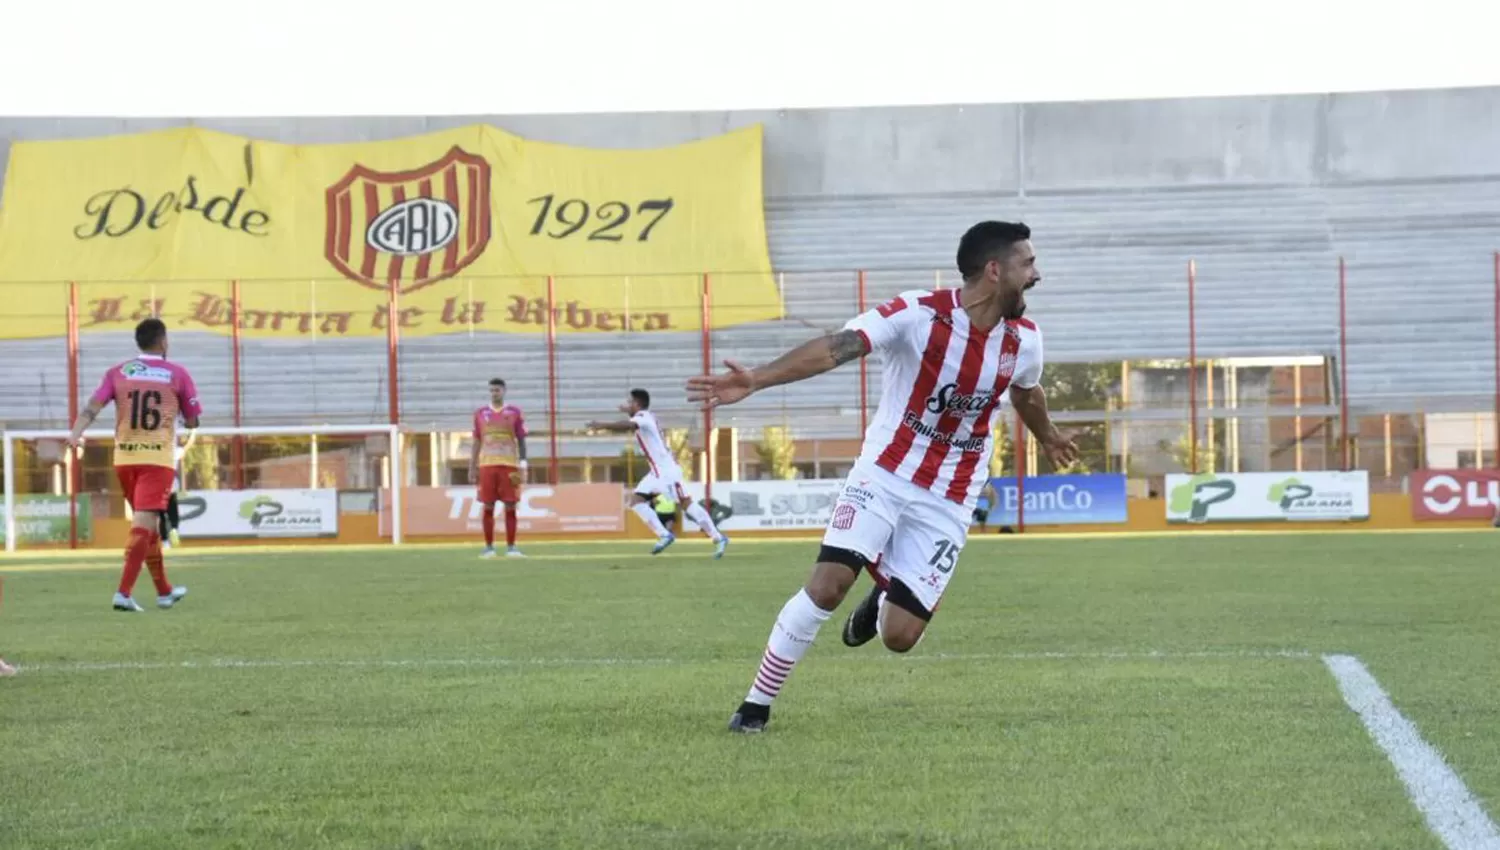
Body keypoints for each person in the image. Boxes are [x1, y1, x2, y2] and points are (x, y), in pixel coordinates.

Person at [687, 221, 1077, 733]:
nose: (1037, 275)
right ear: (993, 270)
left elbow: (1026, 392)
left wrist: (1046, 435)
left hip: (951, 495)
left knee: (900, 636)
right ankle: (755, 707)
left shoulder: (1024, 340)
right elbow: (839, 346)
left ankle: (884, 589)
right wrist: (757, 378)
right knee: (827, 587)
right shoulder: (917, 315)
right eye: (1028, 264)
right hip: (885, 475)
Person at [66, 318, 198, 612]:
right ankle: (123, 593)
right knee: (143, 527)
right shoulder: (177, 374)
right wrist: (185, 418)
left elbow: (92, 407)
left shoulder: (118, 373)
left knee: (147, 528)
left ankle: (164, 591)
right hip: (157, 460)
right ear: (163, 342)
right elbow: (192, 419)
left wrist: (76, 434)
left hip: (124, 459)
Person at [587, 389, 729, 558]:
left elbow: (628, 426)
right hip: (656, 472)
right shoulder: (643, 416)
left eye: (630, 402)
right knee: (636, 502)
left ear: (637, 404)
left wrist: (602, 425)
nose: (627, 405)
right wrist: (625, 410)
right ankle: (664, 534)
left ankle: (718, 537)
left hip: (667, 471)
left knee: (686, 504)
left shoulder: (643, 417)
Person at [469, 378, 528, 558]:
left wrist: (523, 463)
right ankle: (489, 547)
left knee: (511, 504)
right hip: (487, 464)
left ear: (504, 391)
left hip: (510, 464)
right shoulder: (480, 413)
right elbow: (477, 440)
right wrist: (472, 466)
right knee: (488, 505)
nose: (494, 393)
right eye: (492, 390)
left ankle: (512, 547)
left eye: (497, 390)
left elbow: (521, 439)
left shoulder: (515, 412)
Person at [158, 429, 194, 550]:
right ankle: (174, 529)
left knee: (162, 516)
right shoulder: (174, 452)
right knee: (173, 513)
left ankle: (164, 541)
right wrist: (193, 433)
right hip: (171, 487)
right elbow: (188, 446)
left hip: (159, 488)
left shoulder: (155, 452)